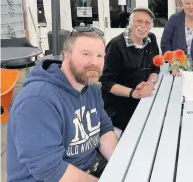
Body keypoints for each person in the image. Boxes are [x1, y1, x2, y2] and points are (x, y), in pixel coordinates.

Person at [7, 27, 118, 181]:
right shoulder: (37, 101)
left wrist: (121, 165)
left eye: (100, 55)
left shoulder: (90, 87)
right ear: (67, 56)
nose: (95, 62)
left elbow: (104, 128)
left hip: (90, 166)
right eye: (86, 54)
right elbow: (51, 170)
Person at [100, 7, 160, 132]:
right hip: (120, 105)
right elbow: (107, 83)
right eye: (139, 21)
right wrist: (133, 93)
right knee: (143, 131)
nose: (143, 26)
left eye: (147, 22)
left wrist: (150, 83)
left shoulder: (151, 39)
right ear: (130, 23)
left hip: (144, 98)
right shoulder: (116, 45)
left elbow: (155, 67)